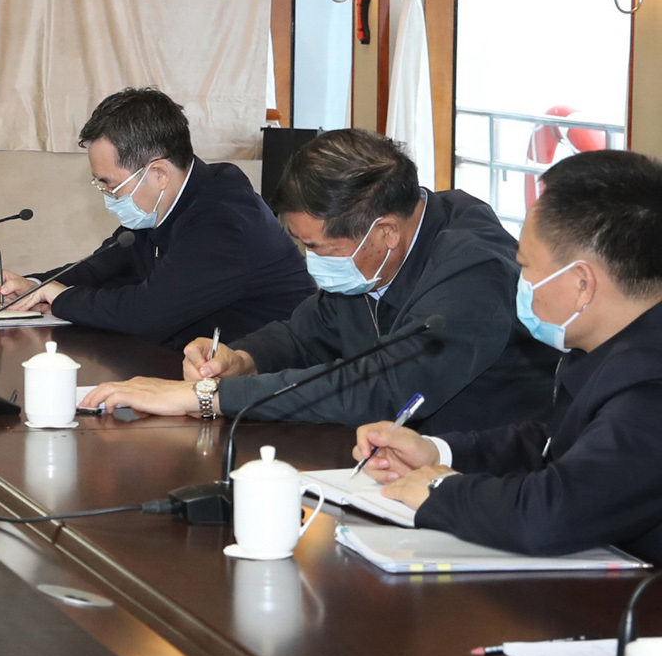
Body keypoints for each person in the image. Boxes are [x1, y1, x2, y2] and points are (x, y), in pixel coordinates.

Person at [84, 129, 556, 432]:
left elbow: (384, 388)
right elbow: (306, 332)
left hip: (492, 475)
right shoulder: (374, 257)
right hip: (391, 458)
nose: (312, 263)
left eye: (320, 249)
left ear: (386, 232)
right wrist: (243, 360)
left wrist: (208, 397)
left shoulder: (473, 271)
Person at [352, 151, 662, 559]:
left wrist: (441, 489)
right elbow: (554, 444)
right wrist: (436, 453)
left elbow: (550, 514)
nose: (521, 281)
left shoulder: (650, 390)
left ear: (582, 284)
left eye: (526, 266)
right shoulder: (610, 346)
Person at [0, 88, 313, 347]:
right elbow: (99, 268)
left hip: (268, 384)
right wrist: (34, 286)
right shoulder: (160, 207)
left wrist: (58, 297)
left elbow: (147, 313)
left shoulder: (224, 220)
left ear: (158, 174)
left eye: (109, 184)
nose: (107, 194)